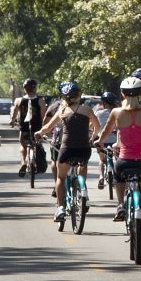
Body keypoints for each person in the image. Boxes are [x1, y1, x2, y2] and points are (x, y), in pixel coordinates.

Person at [97, 77, 141, 247]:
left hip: (124, 161)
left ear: (122, 94)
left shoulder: (116, 113)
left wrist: (98, 142)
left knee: (118, 177)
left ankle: (120, 206)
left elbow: (105, 132)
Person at [35, 82, 102, 222]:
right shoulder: (87, 110)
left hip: (67, 149)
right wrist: (92, 137)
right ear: (78, 96)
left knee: (61, 178)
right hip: (84, 149)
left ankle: (60, 208)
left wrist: (39, 133)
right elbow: (97, 127)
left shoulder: (62, 111)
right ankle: (83, 194)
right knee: (82, 166)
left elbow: (48, 127)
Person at [10, 78, 47, 177]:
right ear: (35, 88)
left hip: (24, 129)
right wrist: (45, 128)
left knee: (23, 146)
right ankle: (34, 162)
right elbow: (44, 116)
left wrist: (12, 121)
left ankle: (24, 163)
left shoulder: (18, 100)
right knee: (36, 146)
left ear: (24, 88)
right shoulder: (40, 101)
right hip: (37, 130)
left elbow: (14, 113)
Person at [95, 91, 118, 190]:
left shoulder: (98, 113)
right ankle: (116, 176)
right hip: (116, 142)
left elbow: (94, 127)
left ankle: (101, 177)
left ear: (104, 103)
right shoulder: (118, 112)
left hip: (102, 141)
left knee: (102, 160)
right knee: (117, 159)